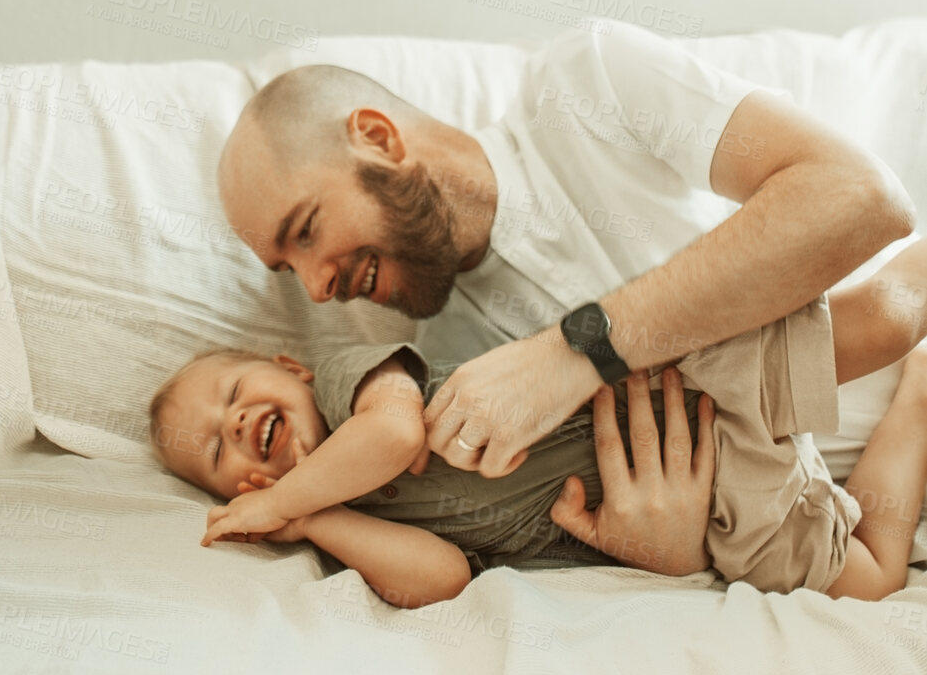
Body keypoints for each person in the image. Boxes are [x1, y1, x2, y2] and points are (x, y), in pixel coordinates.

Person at [215, 28, 916, 550]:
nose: (315, 289)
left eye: (305, 231)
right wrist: (667, 555)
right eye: (287, 270)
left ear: (377, 137)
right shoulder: (455, 384)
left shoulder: (586, 87)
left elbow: (861, 198)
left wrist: (574, 352)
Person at [148, 234, 927, 607]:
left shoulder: (352, 386)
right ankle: (919, 398)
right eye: (215, 448)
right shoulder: (341, 516)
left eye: (233, 388)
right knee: (869, 577)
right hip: (716, 514)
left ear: (290, 367)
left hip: (671, 390)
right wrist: (310, 521)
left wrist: (281, 499)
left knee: (886, 318)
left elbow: (393, 436)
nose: (235, 417)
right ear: (241, 482)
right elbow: (442, 577)